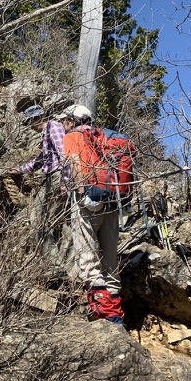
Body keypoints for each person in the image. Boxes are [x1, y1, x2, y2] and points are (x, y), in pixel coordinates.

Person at [61, 104, 125, 326]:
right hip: (113, 201)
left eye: (65, 120)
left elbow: (76, 162)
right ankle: (117, 313)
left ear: (72, 120)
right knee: (110, 261)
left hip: (89, 201)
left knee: (88, 260)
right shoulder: (104, 136)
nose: (63, 124)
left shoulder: (73, 136)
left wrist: (82, 193)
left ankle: (106, 317)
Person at [9, 105, 66, 263]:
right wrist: (20, 170)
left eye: (29, 122)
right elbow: (41, 160)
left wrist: (65, 181)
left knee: (37, 218)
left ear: (37, 118)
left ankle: (54, 264)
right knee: (51, 220)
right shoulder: (47, 132)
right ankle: (57, 262)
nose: (29, 127)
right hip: (53, 177)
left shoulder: (53, 127)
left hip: (57, 176)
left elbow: (64, 154)